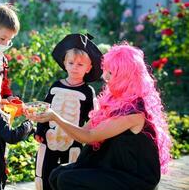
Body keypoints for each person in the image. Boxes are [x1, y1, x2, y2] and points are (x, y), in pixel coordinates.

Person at [27, 43, 171, 190]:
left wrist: (55, 117)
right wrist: (48, 118)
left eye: (111, 73)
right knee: (56, 174)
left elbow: (89, 136)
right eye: (106, 71)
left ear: (125, 76)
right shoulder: (114, 100)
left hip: (134, 176)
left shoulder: (135, 112)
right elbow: (83, 131)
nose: (104, 76)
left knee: (67, 180)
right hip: (112, 166)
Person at [34, 33, 102, 190]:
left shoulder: (87, 92)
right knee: (43, 174)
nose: (74, 68)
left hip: (74, 141)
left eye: (80, 65)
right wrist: (40, 130)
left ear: (89, 68)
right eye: (71, 63)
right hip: (49, 139)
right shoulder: (56, 85)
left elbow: (93, 117)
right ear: (64, 63)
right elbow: (45, 108)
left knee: (68, 177)